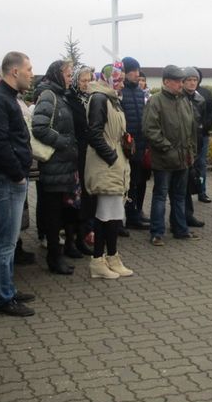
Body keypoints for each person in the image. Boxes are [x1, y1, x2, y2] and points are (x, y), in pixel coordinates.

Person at [0, 51, 36, 317]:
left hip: (12, 178)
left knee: (10, 241)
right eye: (29, 70)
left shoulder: (8, 98)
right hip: (6, 179)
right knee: (4, 242)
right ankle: (3, 298)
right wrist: (17, 173)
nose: (32, 74)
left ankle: (8, 288)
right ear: (14, 72)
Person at [85, 63, 134, 278]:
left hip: (116, 163)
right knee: (105, 215)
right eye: (119, 79)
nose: (122, 83)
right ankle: (98, 261)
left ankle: (113, 256)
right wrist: (112, 157)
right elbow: (94, 134)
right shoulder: (99, 99)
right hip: (106, 164)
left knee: (114, 214)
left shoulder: (113, 99)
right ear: (108, 78)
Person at [32, 59, 79, 274]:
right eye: (68, 74)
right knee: (52, 215)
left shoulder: (61, 95)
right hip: (53, 165)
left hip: (64, 166)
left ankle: (58, 254)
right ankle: (54, 257)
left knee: (61, 212)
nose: (71, 78)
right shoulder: (48, 96)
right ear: (58, 75)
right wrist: (63, 142)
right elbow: (39, 127)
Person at [142, 65, 199, 245]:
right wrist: (168, 148)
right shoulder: (155, 101)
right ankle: (157, 233)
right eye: (177, 81)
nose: (181, 84)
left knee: (179, 196)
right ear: (166, 82)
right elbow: (150, 130)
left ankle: (180, 229)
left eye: (182, 80)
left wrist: (192, 152)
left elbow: (191, 130)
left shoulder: (184, 101)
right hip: (164, 159)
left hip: (183, 159)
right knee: (160, 196)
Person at [64, 64, 96, 258]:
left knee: (87, 198)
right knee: (73, 201)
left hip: (89, 155)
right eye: (82, 80)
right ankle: (70, 241)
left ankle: (82, 238)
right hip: (75, 155)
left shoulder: (91, 99)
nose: (86, 84)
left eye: (88, 80)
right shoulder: (69, 100)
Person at [120, 56, 150, 230]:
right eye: (132, 71)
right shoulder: (120, 92)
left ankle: (137, 213)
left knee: (140, 181)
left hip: (140, 144)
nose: (136, 74)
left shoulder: (140, 92)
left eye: (137, 71)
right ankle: (127, 216)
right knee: (127, 184)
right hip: (126, 146)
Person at [181, 67, 206, 227]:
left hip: (195, 145)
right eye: (189, 80)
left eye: (194, 80)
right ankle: (180, 217)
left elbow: (201, 123)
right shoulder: (178, 98)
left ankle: (188, 215)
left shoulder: (200, 100)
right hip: (181, 146)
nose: (192, 83)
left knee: (190, 181)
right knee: (180, 185)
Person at [194, 67, 212, 203]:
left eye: (195, 78)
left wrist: (205, 126)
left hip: (203, 135)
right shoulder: (183, 93)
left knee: (201, 164)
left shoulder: (206, 93)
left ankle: (202, 192)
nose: (192, 81)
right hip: (188, 136)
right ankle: (187, 192)